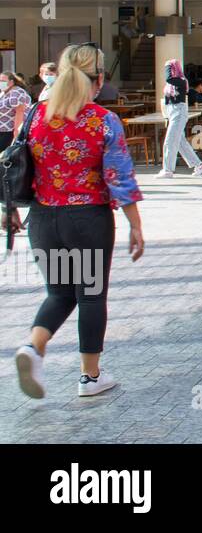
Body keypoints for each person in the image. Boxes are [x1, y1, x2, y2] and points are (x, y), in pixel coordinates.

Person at [13, 43, 144, 400]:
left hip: (42, 219)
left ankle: (32, 346)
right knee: (89, 295)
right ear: (98, 79)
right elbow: (119, 176)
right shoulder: (102, 120)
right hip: (86, 220)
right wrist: (135, 224)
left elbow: (16, 164)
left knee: (59, 292)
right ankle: (90, 377)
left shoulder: (36, 116)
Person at [158, 58, 202, 178]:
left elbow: (168, 78)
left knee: (170, 141)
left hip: (179, 112)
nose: (169, 70)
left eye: (170, 68)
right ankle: (199, 165)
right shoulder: (171, 85)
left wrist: (167, 66)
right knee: (179, 142)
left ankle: (168, 170)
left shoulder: (180, 80)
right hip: (172, 112)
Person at [0, 70, 33, 236]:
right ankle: (9, 212)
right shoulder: (3, 93)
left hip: (8, 135)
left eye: (4, 80)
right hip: (2, 133)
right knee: (4, 174)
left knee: (7, 172)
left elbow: (19, 117)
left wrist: (14, 141)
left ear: (12, 81)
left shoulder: (18, 94)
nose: (1, 82)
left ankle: (9, 211)